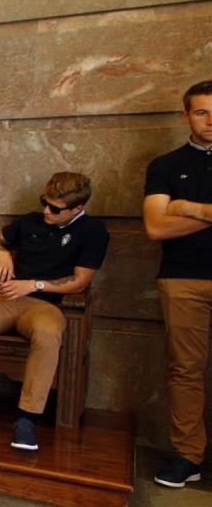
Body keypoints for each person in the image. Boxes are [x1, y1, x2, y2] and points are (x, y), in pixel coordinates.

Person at [0, 172, 109, 452]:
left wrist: (33, 285)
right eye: (45, 202)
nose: (47, 210)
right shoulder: (31, 220)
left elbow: (80, 280)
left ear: (77, 208)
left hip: (46, 304)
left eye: (55, 208)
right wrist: (3, 251)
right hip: (5, 297)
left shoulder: (93, 231)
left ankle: (27, 417)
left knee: (47, 333)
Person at [143, 79, 212, 489]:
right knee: (185, 370)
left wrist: (188, 208)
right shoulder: (165, 166)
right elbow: (155, 226)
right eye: (202, 112)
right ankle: (188, 455)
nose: (210, 121)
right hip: (183, 279)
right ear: (185, 115)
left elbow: (172, 218)